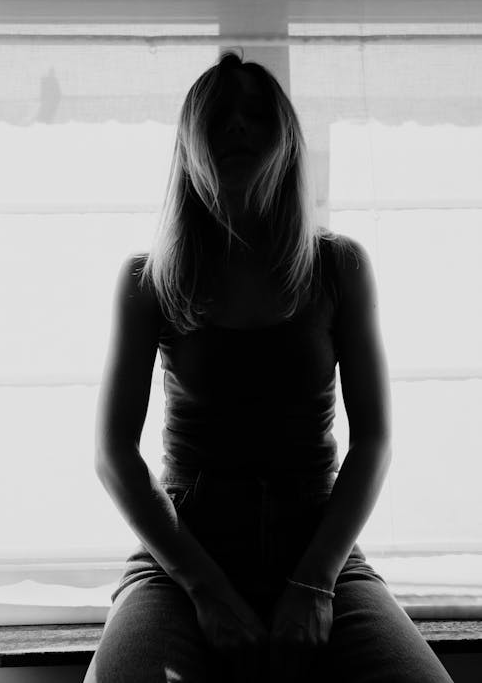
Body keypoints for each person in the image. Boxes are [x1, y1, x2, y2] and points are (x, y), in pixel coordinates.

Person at [83, 50, 454, 682]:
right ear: (190, 143)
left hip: (320, 548)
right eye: (219, 117)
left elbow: (374, 441)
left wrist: (314, 583)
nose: (237, 127)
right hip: (184, 552)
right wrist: (206, 589)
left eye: (257, 115)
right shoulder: (148, 280)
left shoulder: (339, 267)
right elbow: (114, 452)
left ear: (287, 141)